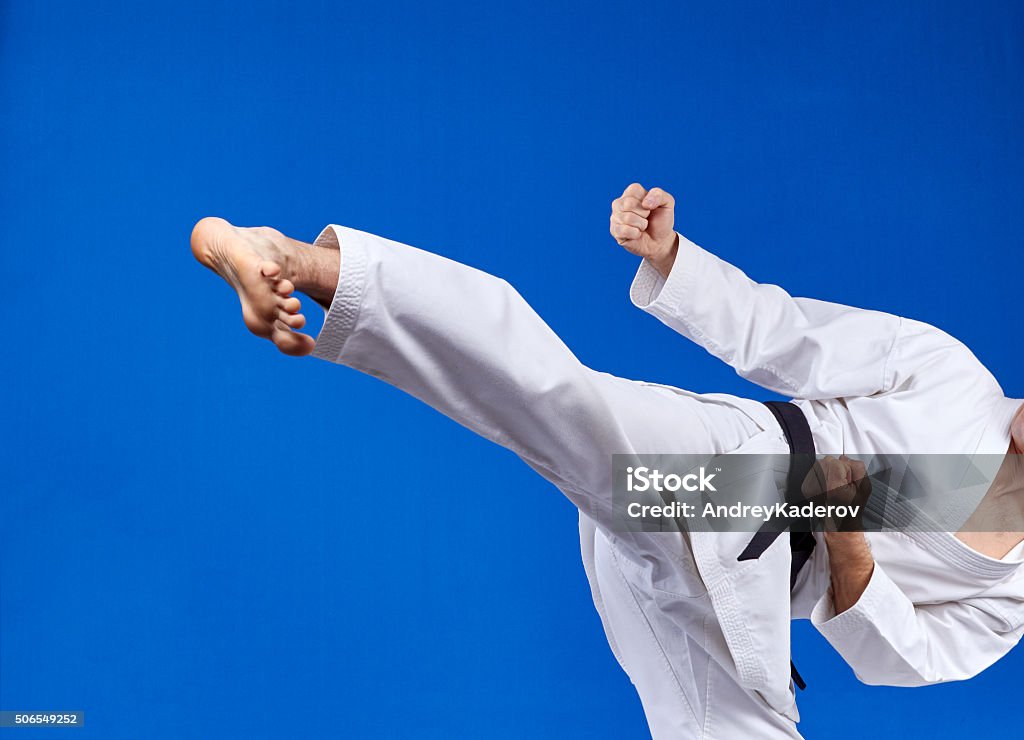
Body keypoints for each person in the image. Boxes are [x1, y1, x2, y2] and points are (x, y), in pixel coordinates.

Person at [190, 184, 1024, 739]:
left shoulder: (1013, 594)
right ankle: (298, 260)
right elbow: (785, 336)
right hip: (740, 477)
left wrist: (848, 542)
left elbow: (898, 660)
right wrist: (670, 260)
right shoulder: (954, 376)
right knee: (556, 399)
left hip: (750, 600)